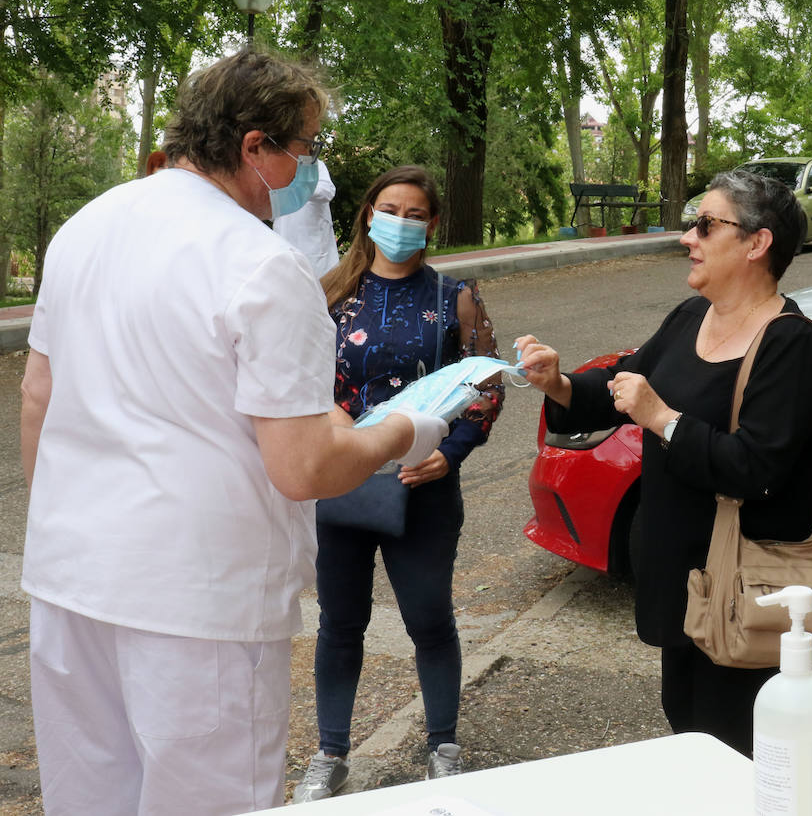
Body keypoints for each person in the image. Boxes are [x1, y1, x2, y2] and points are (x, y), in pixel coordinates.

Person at [19, 49, 449, 814]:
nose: (310, 173)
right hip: (198, 600)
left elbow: (38, 395)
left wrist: (67, 521)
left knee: (89, 795)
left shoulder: (86, 228)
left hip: (70, 572)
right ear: (256, 147)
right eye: (306, 149)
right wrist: (406, 430)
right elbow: (305, 467)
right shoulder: (260, 265)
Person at [515, 170, 812, 756]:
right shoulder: (692, 316)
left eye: (707, 225)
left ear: (756, 243)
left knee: (735, 741)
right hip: (682, 579)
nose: (689, 236)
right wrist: (559, 382)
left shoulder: (791, 344)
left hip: (742, 590)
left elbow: (756, 469)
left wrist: (664, 419)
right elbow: (624, 383)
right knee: (687, 721)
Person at [294, 166, 504, 801]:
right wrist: (332, 423)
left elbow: (485, 387)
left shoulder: (456, 298)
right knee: (339, 622)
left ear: (432, 224)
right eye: (392, 209)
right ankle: (330, 752)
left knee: (430, 619)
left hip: (425, 487)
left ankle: (443, 746)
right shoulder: (329, 294)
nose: (402, 223)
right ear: (367, 214)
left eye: (416, 214)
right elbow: (300, 380)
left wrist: (452, 453)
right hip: (343, 483)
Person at [275, 158, 341, 277]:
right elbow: (272, 211)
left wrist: (299, 188)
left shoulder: (313, 165)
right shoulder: (277, 167)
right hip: (285, 249)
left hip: (316, 254)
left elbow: (327, 191)